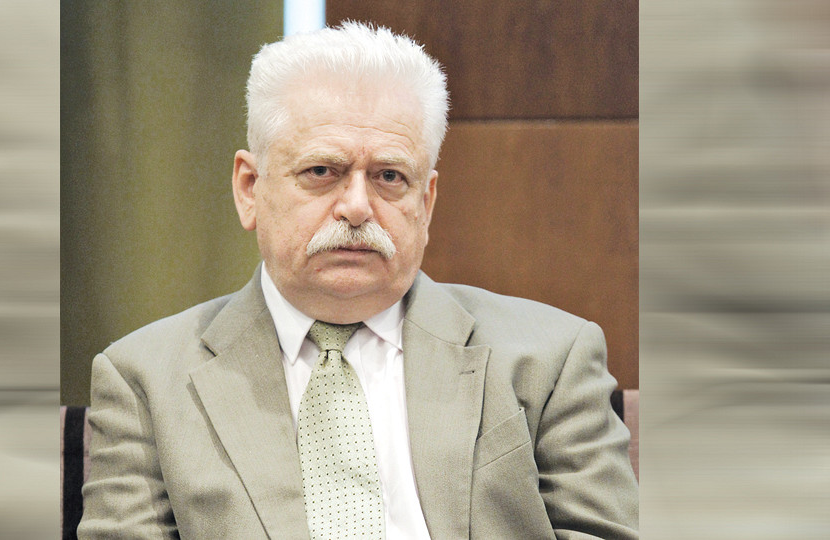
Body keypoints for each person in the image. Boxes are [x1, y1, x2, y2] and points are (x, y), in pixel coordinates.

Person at [78, 21, 638, 539]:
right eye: (322, 171)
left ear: (426, 201)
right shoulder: (145, 381)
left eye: (389, 176)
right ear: (250, 188)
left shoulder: (551, 359)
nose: (357, 207)